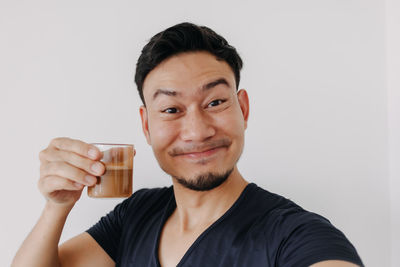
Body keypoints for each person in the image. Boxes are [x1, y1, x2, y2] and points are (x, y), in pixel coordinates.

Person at [12, 22, 364, 267]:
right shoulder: (136, 215)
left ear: (242, 109)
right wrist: (56, 208)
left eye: (215, 102)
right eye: (171, 109)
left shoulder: (294, 234)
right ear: (146, 126)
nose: (196, 131)